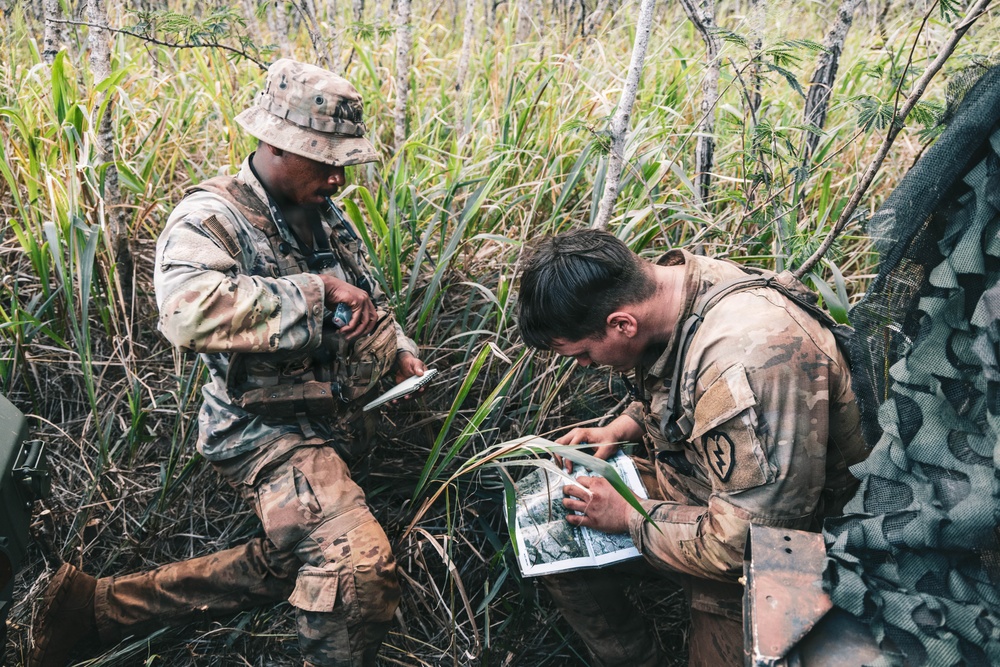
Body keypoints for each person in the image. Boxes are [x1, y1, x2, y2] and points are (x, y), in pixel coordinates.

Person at [29, 59, 427, 667]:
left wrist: (396, 348)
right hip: (263, 430)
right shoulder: (211, 217)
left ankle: (93, 610)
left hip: (332, 420)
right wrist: (316, 293)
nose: (338, 178)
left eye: (343, 162)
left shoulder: (323, 211)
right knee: (355, 570)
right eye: (325, 160)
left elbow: (363, 295)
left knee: (297, 555)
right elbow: (187, 314)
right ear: (275, 144)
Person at [516, 229, 869, 667]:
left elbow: (751, 544)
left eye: (583, 353)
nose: (585, 365)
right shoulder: (677, 287)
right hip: (705, 494)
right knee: (555, 524)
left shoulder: (747, 361)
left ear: (622, 324)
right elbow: (682, 386)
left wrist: (630, 517)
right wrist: (624, 426)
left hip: (785, 551)